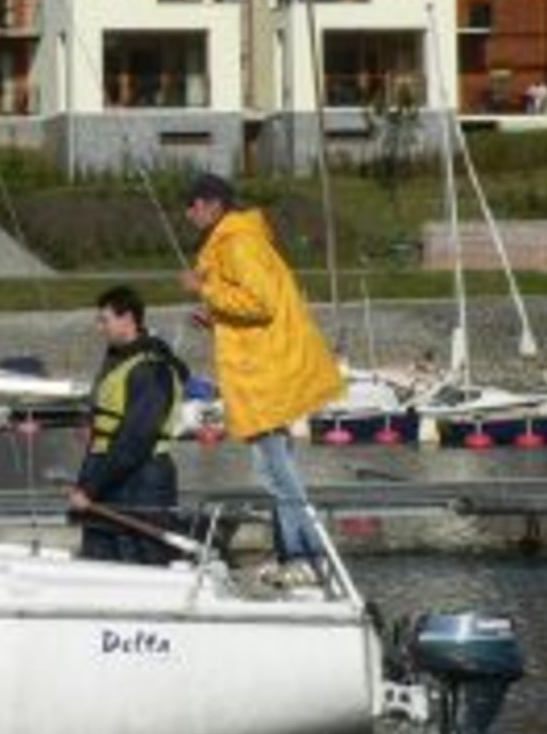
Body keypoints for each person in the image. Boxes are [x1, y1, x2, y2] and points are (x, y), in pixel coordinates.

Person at [180, 172, 343, 587]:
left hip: (264, 374)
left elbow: (262, 302)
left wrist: (207, 291)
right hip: (261, 371)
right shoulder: (236, 240)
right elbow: (252, 309)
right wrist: (215, 318)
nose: (187, 214)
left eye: (192, 205)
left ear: (213, 205)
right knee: (275, 468)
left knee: (276, 472)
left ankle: (307, 555)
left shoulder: (238, 243)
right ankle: (293, 554)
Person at [69, 284, 191, 564]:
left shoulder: (150, 369)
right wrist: (90, 422)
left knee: (141, 561)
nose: (100, 328)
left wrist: (90, 489)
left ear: (127, 319)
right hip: (111, 478)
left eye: (105, 320)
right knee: (100, 560)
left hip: (140, 482)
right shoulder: (119, 360)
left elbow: (135, 440)